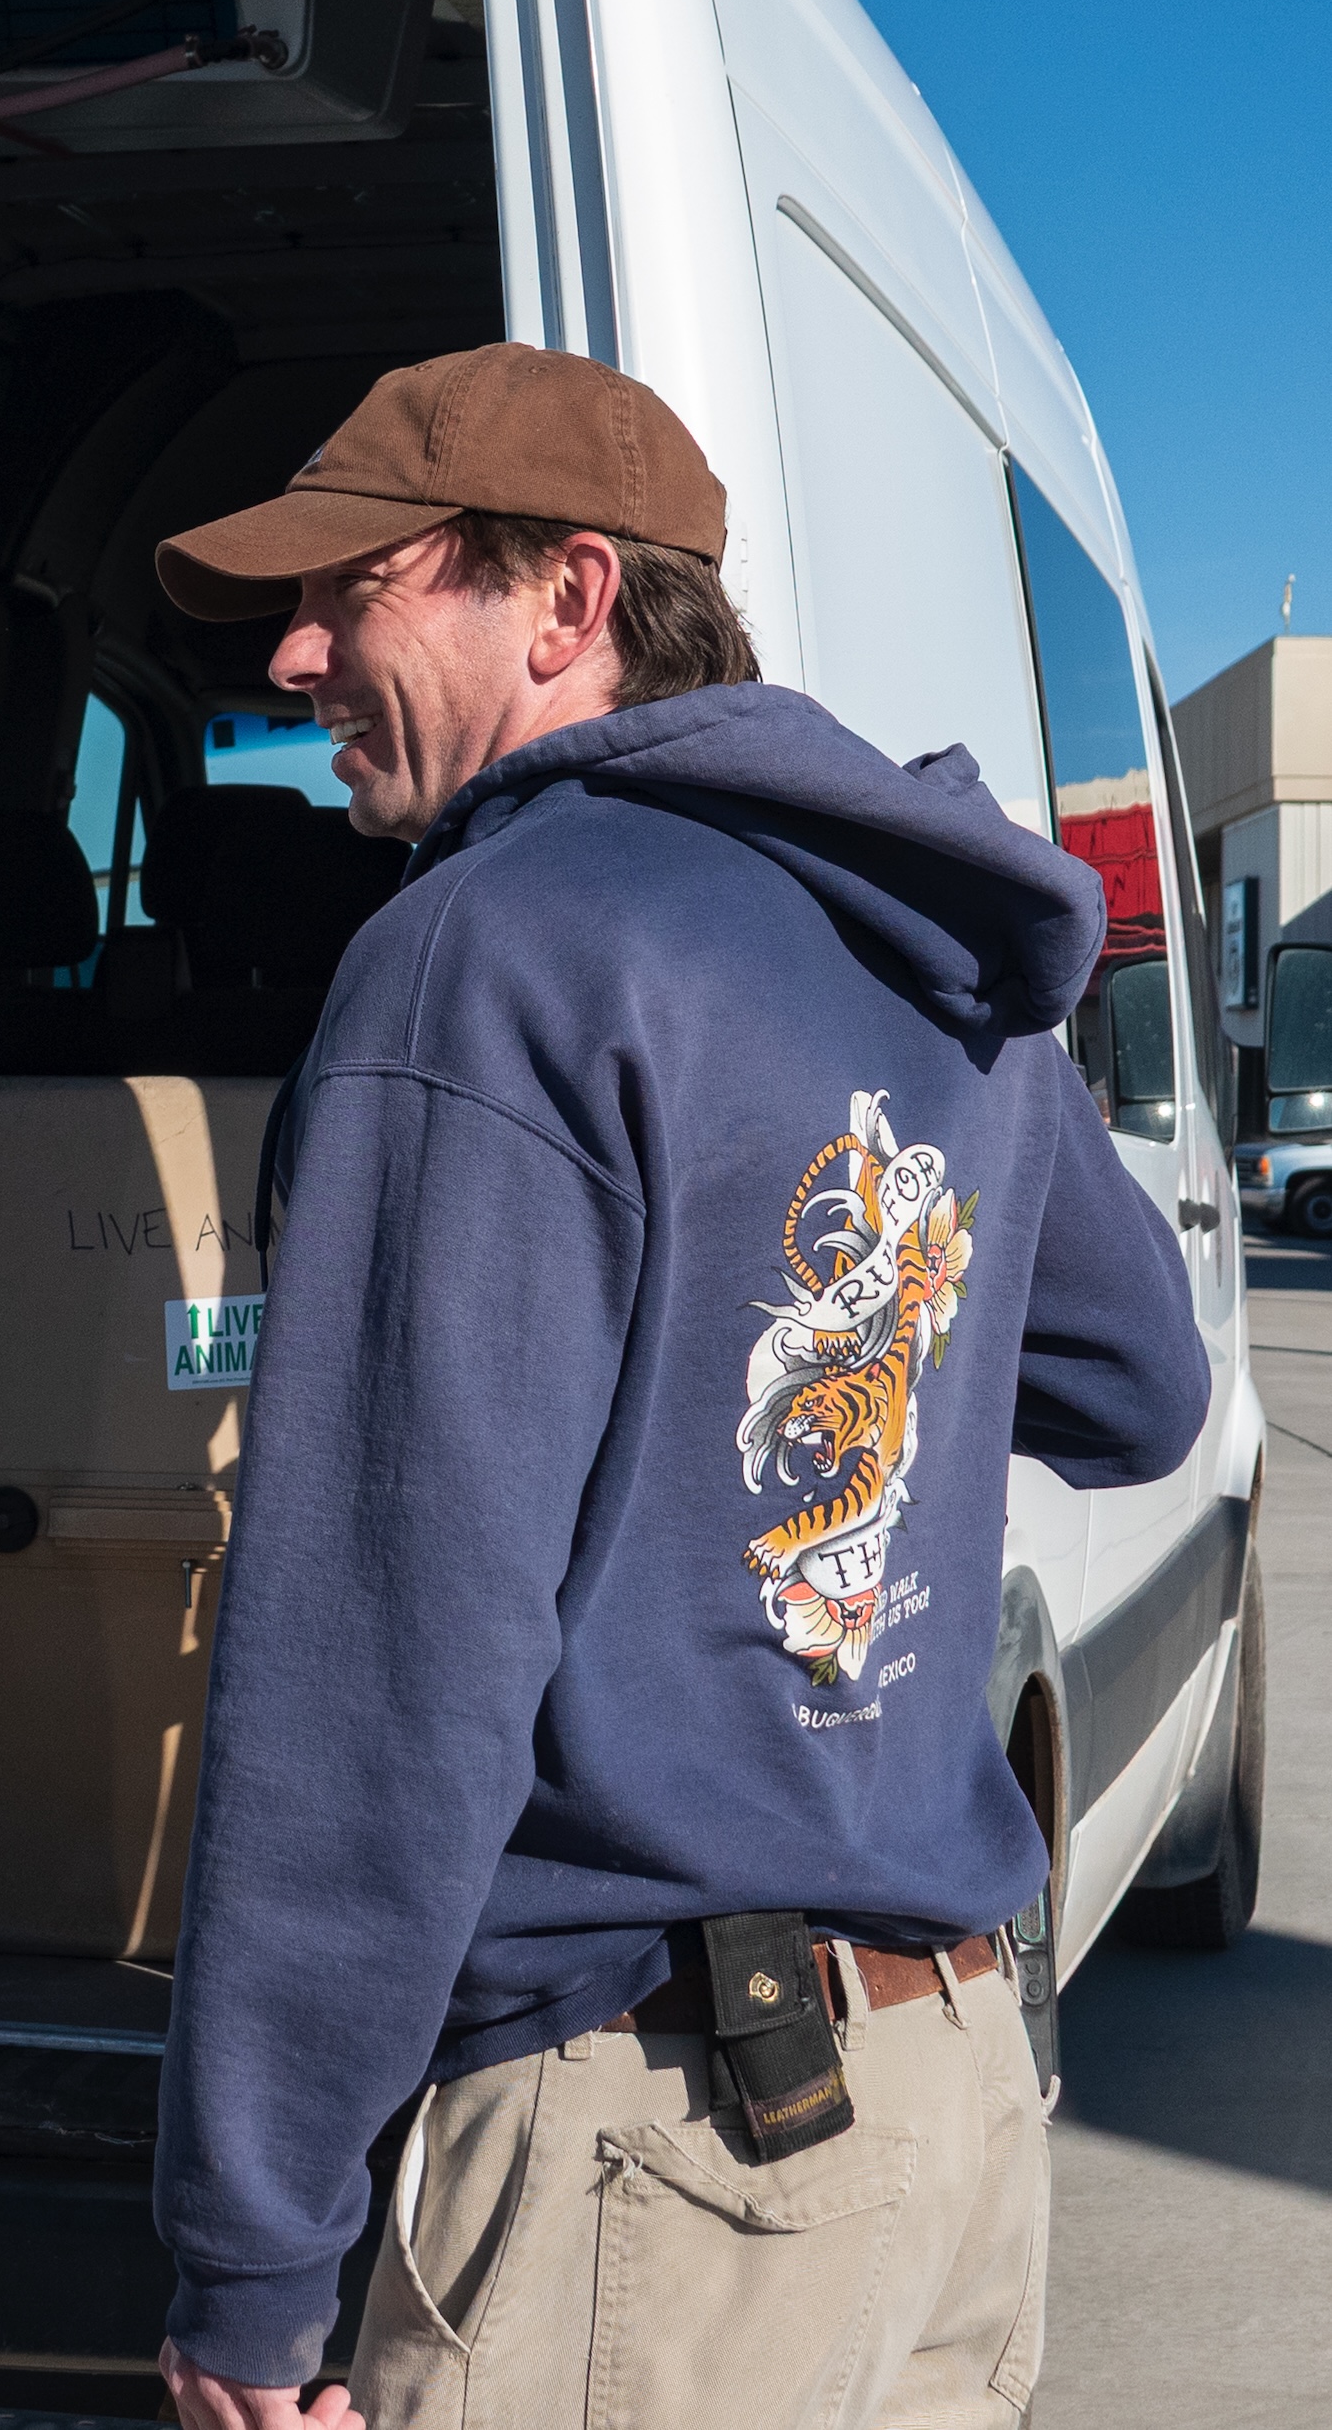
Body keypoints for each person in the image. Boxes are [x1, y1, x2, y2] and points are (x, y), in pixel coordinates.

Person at [139, 346, 1211, 2430]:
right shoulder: (923, 943)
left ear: (568, 599)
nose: (295, 650)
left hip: (659, 2166)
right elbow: (1137, 1379)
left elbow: (385, 1664)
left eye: (356, 588)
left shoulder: (488, 955)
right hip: (952, 2101)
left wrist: (253, 2248)